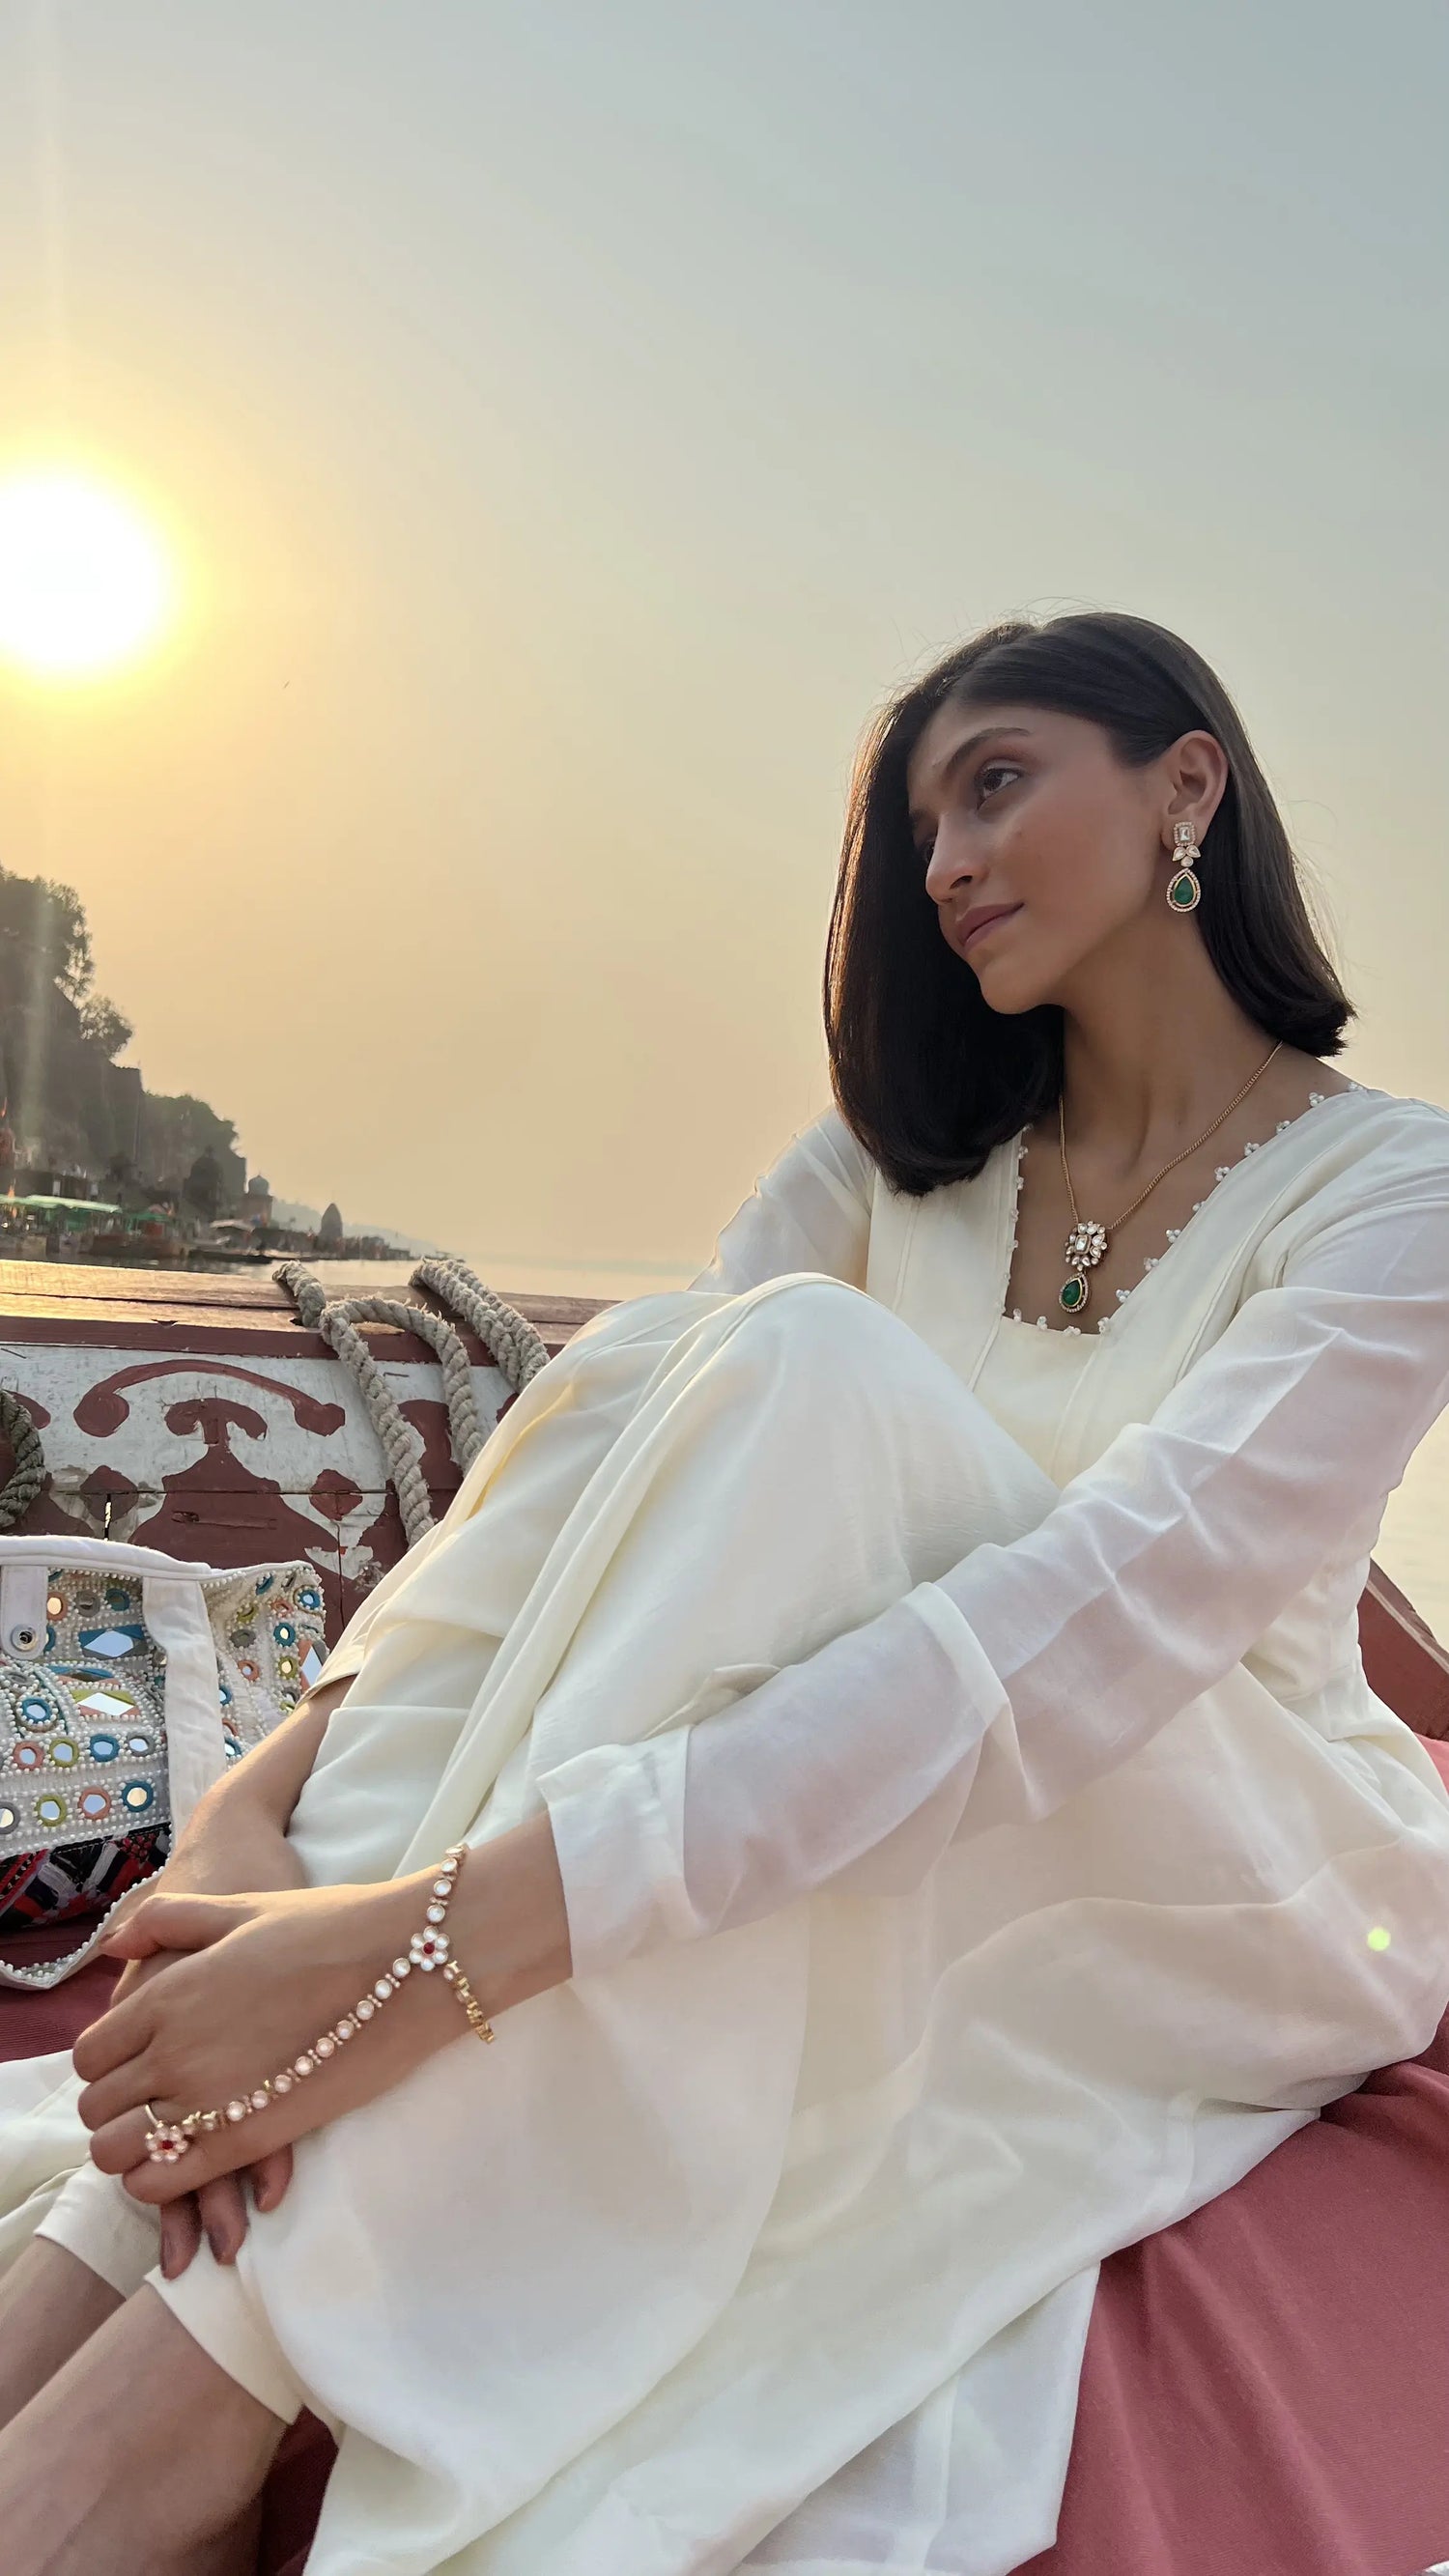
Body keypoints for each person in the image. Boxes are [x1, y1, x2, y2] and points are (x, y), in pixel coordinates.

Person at [2, 609, 1448, 2576]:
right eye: (924, 818)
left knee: (813, 1383)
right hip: (874, 1768)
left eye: (998, 781)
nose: (942, 859)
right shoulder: (897, 1163)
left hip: (1225, 1838)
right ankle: (117, 2280)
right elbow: (585, 1463)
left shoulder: (1393, 1198)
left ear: (1186, 781)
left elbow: (1091, 1632)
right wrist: (266, 1816)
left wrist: (416, 1953)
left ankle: (174, 2403)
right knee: (729, 1376)